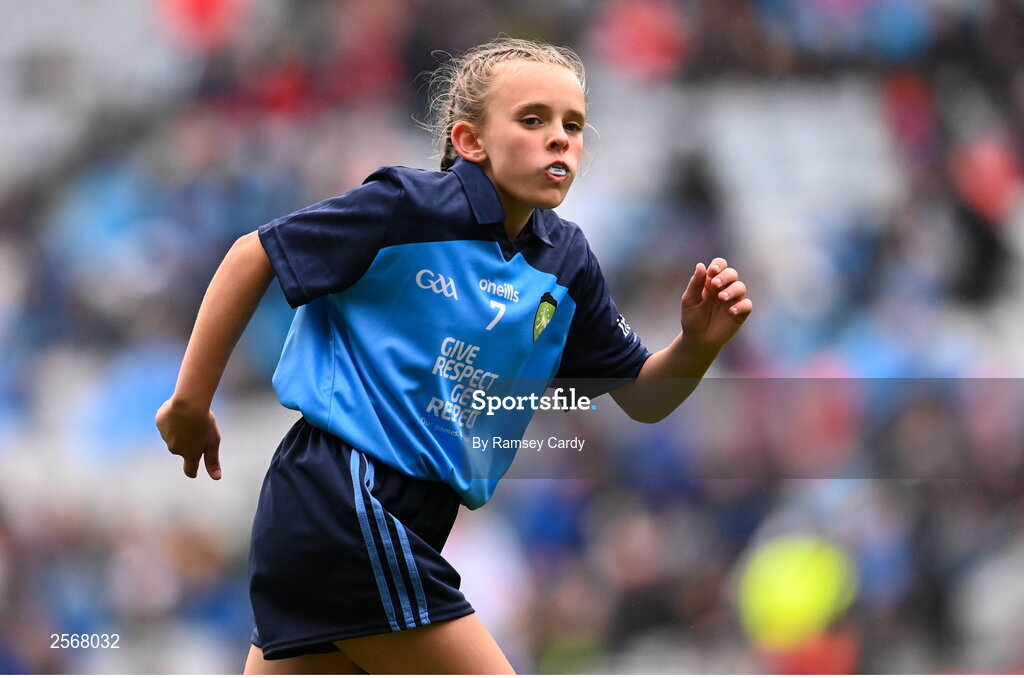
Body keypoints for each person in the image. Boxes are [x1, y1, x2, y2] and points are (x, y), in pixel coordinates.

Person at [155, 37, 752, 674]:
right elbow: (254, 254)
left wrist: (697, 344)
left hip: (397, 519)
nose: (560, 139)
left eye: (572, 126)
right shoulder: (407, 207)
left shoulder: (567, 263)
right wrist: (192, 401)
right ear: (470, 141)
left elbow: (644, 394)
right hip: (348, 497)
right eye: (533, 120)